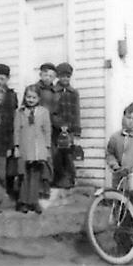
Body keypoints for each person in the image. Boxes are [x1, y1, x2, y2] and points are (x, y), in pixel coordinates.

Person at [14, 84, 51, 214]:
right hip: (25, 148)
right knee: (24, 175)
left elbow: (47, 130)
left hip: (38, 149)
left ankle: (33, 201)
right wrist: (16, 146)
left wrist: (47, 147)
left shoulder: (43, 112)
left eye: (33, 97)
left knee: (35, 175)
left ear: (39, 98)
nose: (30, 100)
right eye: (28, 97)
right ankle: (23, 201)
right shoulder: (20, 112)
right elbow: (17, 130)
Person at [0, 64, 19, 200]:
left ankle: (9, 187)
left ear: (7, 79)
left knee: (10, 161)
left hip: (9, 129)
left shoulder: (11, 95)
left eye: (2, 79)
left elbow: (14, 113)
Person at [53, 62, 82, 190]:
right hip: (56, 130)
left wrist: (76, 131)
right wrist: (60, 125)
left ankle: (70, 179)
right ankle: (58, 179)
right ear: (58, 77)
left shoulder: (74, 93)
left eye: (67, 76)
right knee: (57, 155)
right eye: (62, 76)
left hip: (69, 131)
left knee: (69, 155)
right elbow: (52, 111)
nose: (65, 79)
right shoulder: (54, 92)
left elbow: (76, 112)